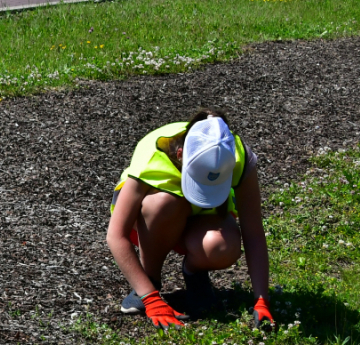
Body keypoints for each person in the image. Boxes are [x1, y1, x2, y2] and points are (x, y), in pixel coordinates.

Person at [107, 110, 273, 330]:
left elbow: (253, 232)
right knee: (162, 204)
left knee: (221, 246)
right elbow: (115, 236)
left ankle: (195, 273)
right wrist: (151, 299)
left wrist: (261, 300)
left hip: (201, 218)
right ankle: (149, 281)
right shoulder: (152, 156)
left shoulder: (236, 156)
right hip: (155, 219)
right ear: (180, 154)